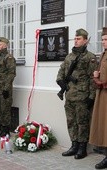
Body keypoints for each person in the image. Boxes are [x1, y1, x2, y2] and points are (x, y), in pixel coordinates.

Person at [56, 28, 98, 159]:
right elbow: (61, 71)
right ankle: (73, 146)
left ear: (85, 41)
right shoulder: (69, 56)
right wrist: (61, 82)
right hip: (69, 95)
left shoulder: (90, 57)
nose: (76, 40)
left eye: (78, 38)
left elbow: (93, 79)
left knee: (82, 122)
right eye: (75, 38)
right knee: (71, 121)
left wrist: (91, 97)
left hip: (82, 96)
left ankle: (82, 148)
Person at [89, 27, 107, 169]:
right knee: (103, 124)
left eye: (106, 39)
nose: (103, 42)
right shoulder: (103, 54)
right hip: (102, 94)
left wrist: (98, 78)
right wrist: (97, 75)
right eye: (102, 40)